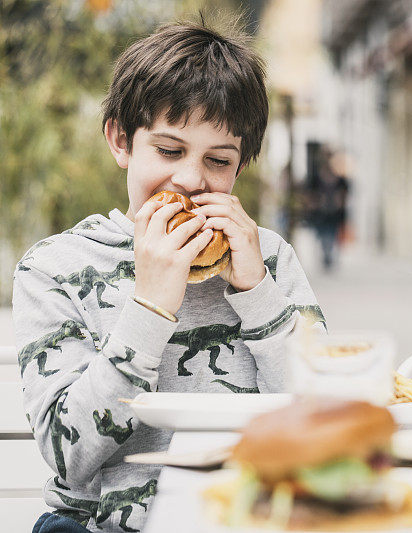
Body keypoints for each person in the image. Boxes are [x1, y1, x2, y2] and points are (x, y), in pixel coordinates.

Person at [12, 18, 324, 533]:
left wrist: (257, 292)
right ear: (120, 141)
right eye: (169, 150)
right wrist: (150, 307)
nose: (190, 179)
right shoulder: (56, 267)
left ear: (240, 166)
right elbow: (70, 457)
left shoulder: (268, 258)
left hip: (243, 518)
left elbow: (321, 422)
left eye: (218, 160)